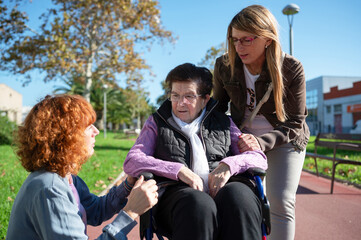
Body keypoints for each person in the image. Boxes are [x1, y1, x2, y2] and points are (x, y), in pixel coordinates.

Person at [124, 63, 268, 240]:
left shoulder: (223, 122)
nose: (180, 103)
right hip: (177, 197)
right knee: (199, 204)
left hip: (224, 190)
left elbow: (258, 158)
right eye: (175, 95)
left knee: (239, 197)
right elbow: (133, 160)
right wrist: (178, 170)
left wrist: (228, 165)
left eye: (189, 96)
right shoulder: (157, 122)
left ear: (205, 99)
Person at [213, 5, 310, 240]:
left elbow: (296, 121)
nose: (238, 47)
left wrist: (260, 141)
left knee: (280, 201)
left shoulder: (291, 68)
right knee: (240, 199)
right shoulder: (225, 66)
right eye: (234, 40)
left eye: (246, 39)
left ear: (267, 39)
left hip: (284, 138)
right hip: (242, 140)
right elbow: (216, 109)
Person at [6, 94, 158, 240]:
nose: (96, 131)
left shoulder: (65, 178)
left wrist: (127, 185)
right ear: (65, 136)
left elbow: (96, 210)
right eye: (88, 126)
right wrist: (130, 213)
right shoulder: (50, 188)